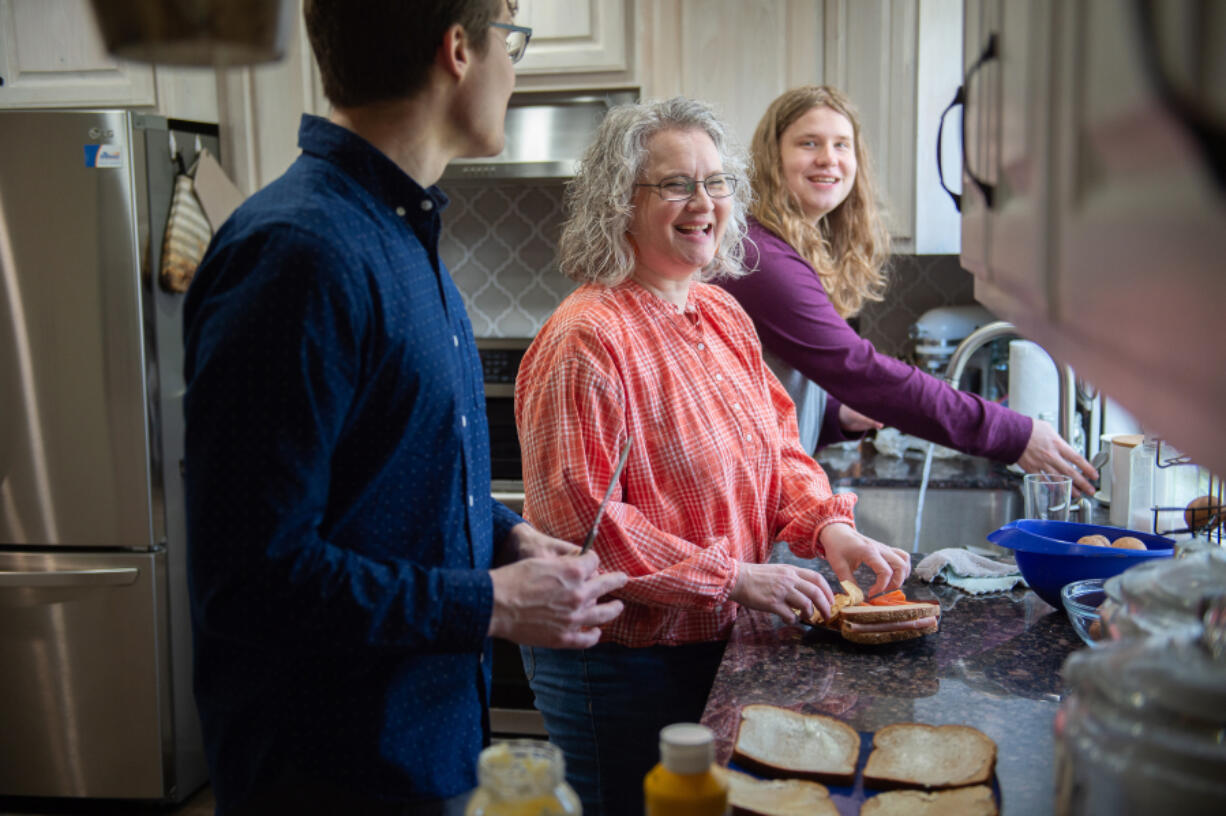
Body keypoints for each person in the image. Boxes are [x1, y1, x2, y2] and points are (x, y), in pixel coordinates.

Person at [181, 2, 626, 814]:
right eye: (511, 43)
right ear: (457, 50)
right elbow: (250, 577)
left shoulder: (398, 234)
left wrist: (505, 536)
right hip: (331, 773)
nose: (514, 71)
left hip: (427, 748)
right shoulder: (298, 254)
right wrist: (492, 603)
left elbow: (391, 480)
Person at [513, 97, 911, 816]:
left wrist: (830, 528)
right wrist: (735, 577)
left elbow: (779, 449)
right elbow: (586, 531)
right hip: (621, 664)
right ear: (619, 202)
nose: (704, 203)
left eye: (717, 182)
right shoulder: (587, 340)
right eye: (674, 184)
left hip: (715, 641)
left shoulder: (719, 312)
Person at [716, 86, 1098, 496]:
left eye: (842, 145)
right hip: (737, 498)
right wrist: (1012, 433)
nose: (829, 158)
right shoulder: (763, 258)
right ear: (773, 158)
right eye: (809, 143)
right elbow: (855, 368)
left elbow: (771, 385)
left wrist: (835, 416)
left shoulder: (777, 245)